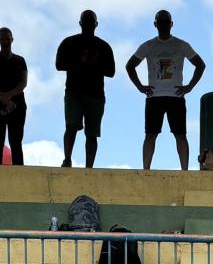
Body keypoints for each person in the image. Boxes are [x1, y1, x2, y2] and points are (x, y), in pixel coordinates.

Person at [126, 10, 205, 172]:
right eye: (160, 22)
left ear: (171, 24)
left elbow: (200, 65)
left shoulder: (181, 45)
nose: (163, 24)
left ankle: (184, 171)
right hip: (154, 97)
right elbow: (130, 66)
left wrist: (189, 87)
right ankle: (146, 170)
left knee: (181, 135)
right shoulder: (148, 46)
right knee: (150, 135)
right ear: (155, 24)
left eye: (166, 21)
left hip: (176, 97)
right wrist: (140, 86)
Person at [55, 10, 116, 169]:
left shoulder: (102, 46)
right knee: (72, 127)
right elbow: (59, 65)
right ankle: (68, 159)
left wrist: (91, 64)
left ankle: (87, 166)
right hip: (76, 92)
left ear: (95, 24)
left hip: (94, 95)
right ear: (81, 23)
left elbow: (111, 72)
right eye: (86, 21)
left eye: (90, 22)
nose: (89, 25)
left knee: (91, 133)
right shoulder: (71, 43)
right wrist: (81, 62)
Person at [0, 27, 27, 167]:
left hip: (17, 105)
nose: (5, 41)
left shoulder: (20, 61)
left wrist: (9, 95)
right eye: (2, 39)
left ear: (12, 39)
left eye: (7, 38)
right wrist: (2, 96)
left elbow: (23, 82)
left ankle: (20, 173)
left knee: (16, 141)